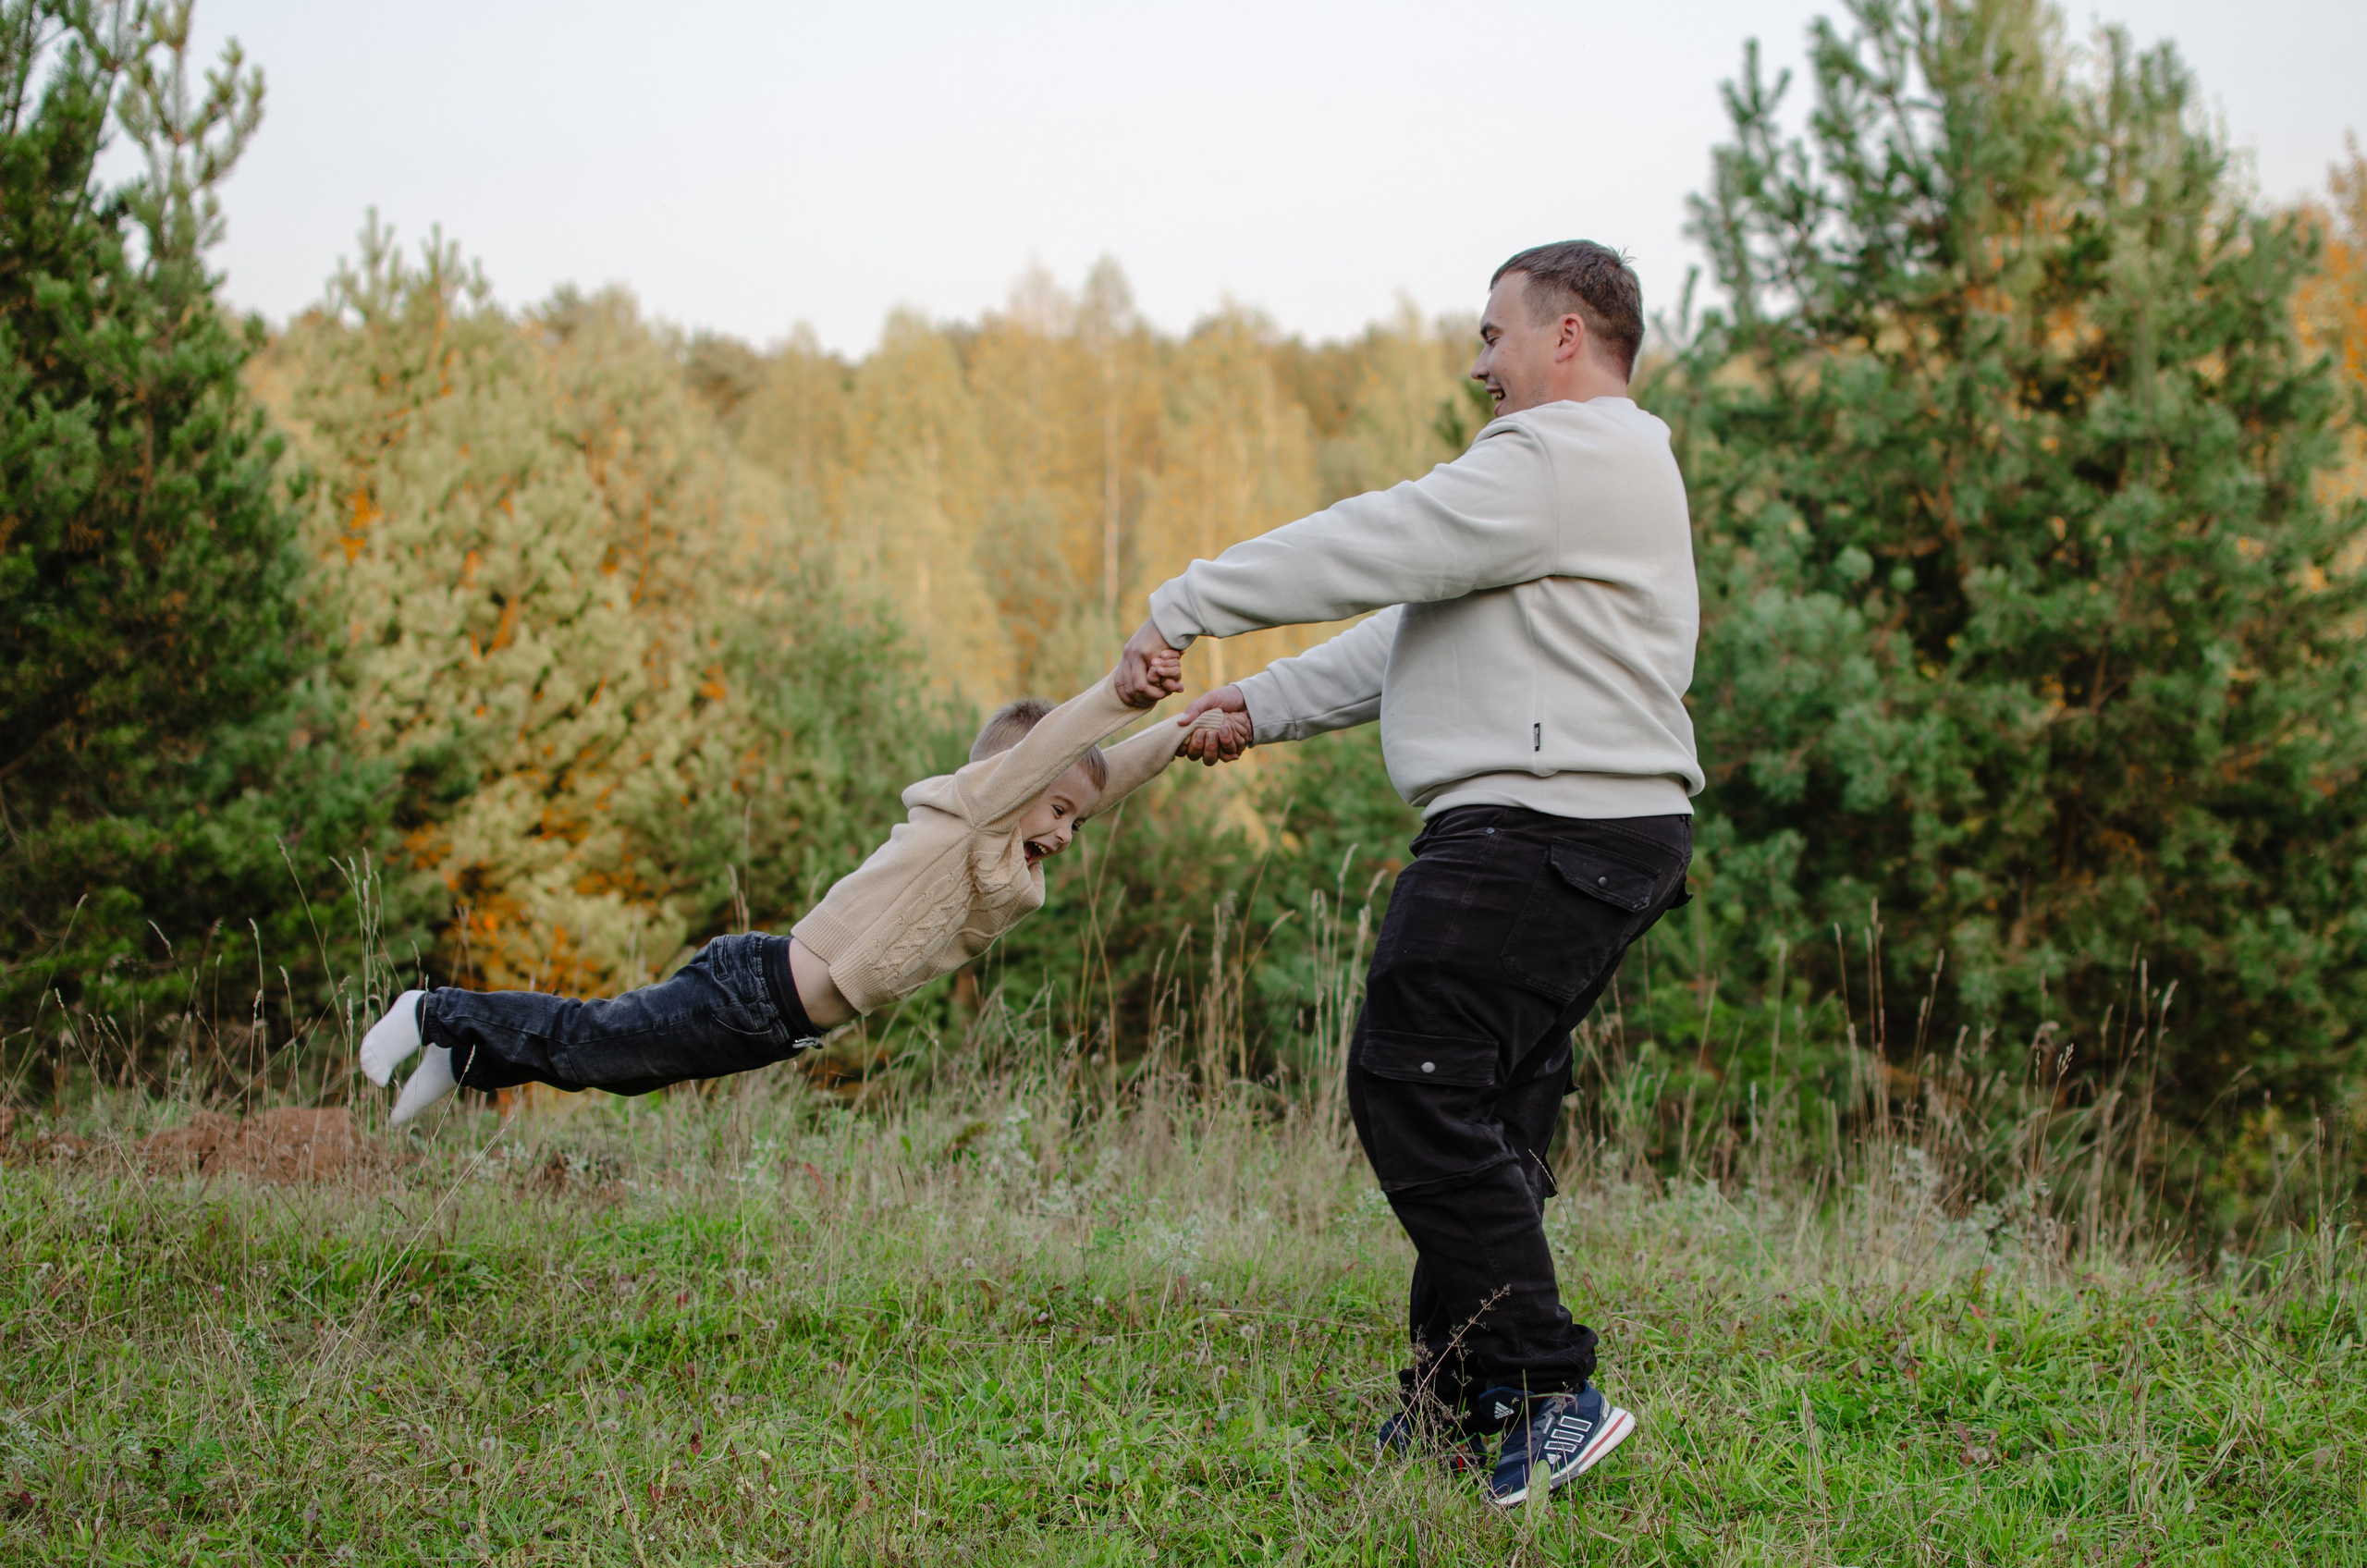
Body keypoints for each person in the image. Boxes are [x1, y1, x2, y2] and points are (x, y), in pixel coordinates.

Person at [1115, 240, 1699, 1506]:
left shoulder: (1563, 456)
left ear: (1566, 335)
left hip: (1537, 828)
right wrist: (1259, 705)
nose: (1477, 361)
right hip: (1604, 832)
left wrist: (1192, 601)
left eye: (1494, 334)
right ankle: (1462, 1396)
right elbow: (1413, 627)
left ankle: (1546, 1390)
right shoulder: (1578, 488)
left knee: (1411, 1082)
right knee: (1481, 1107)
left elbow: (1383, 542)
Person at [358, 655, 1244, 1121]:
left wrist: (1179, 735)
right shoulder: (982, 811)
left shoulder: (1016, 852)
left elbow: (1099, 775)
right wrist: (1123, 693)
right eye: (1052, 808)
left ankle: (464, 1058)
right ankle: (435, 1013)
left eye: (1075, 824)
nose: (1061, 831)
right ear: (1017, 780)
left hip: (776, 1024)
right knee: (598, 1042)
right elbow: (1062, 749)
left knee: (615, 1069)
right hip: (757, 989)